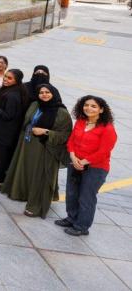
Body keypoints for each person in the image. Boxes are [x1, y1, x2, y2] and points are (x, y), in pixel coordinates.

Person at [2, 83, 73, 218]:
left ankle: (37, 206)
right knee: (27, 170)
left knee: (41, 176)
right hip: (28, 144)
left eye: (47, 92)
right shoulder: (35, 105)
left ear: (54, 94)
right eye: (41, 92)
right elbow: (27, 121)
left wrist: (46, 132)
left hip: (46, 148)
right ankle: (23, 193)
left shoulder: (61, 112)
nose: (44, 95)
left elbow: (65, 135)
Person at [57, 96, 117, 236]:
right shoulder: (80, 121)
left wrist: (83, 162)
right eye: (86, 105)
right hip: (75, 162)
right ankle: (71, 218)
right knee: (72, 193)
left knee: (86, 197)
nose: (89, 108)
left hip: (95, 168)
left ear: (101, 110)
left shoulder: (107, 129)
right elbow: (71, 141)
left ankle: (82, 226)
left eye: (93, 106)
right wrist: (73, 157)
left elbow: (103, 152)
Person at [0, 69, 28, 187]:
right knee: (2, 155)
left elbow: (8, 115)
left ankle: (0, 179)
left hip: (3, 133)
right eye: (5, 76)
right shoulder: (13, 90)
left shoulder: (12, 96)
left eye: (10, 78)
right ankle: (1, 176)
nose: (5, 79)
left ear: (16, 80)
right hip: (6, 132)